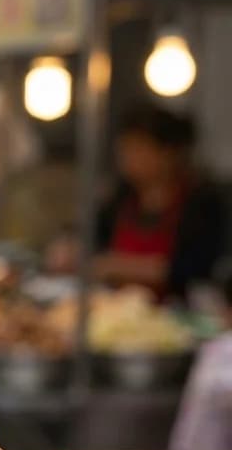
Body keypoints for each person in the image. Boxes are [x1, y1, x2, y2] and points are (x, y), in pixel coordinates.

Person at [49, 103, 224, 303]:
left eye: (137, 148)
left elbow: (194, 269)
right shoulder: (122, 196)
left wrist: (114, 266)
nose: (127, 158)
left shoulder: (201, 202)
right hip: (115, 306)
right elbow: (89, 233)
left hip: (178, 311)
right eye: (124, 149)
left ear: (168, 153)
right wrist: (68, 245)